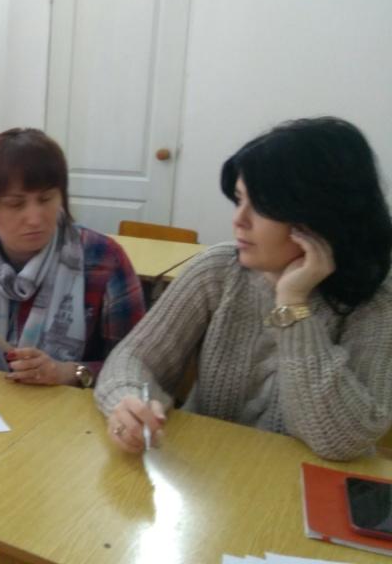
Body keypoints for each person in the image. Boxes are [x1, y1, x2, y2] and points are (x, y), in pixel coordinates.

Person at [95, 117, 392, 461]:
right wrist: (130, 401)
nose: (239, 219)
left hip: (299, 484)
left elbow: (342, 440)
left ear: (320, 215)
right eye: (239, 200)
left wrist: (292, 304)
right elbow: (133, 357)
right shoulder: (220, 270)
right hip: (209, 472)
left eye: (262, 207)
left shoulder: (375, 299)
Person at [0, 128, 145, 386]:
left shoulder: (103, 259)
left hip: (63, 407)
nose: (34, 218)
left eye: (46, 199)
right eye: (15, 204)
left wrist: (68, 373)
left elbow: (137, 365)